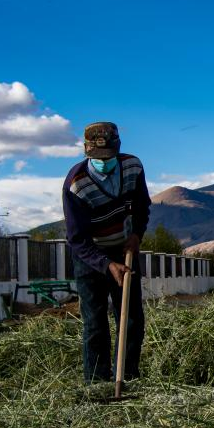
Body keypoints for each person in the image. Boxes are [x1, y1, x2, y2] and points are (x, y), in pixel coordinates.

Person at [62, 122, 151, 385]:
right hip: (90, 256)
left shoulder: (133, 167)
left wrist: (136, 235)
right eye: (98, 158)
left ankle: (127, 376)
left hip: (124, 250)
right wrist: (106, 264)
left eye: (108, 157)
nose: (103, 162)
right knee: (95, 323)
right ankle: (97, 382)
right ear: (87, 151)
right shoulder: (76, 184)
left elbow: (142, 206)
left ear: (118, 149)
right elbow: (77, 239)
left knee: (132, 318)